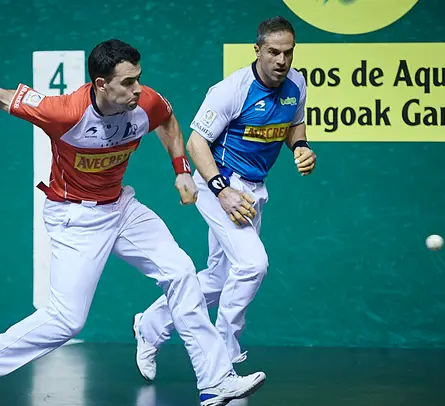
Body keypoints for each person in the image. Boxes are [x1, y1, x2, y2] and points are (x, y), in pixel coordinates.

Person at [0, 38, 266, 406]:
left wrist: (181, 170)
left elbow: (167, 120)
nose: (138, 89)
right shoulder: (63, 112)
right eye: (127, 82)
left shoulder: (144, 103)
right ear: (101, 84)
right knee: (66, 321)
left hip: (121, 208)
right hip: (74, 218)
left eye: (139, 78)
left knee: (180, 272)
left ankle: (215, 380)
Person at [132, 16, 317, 380]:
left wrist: (301, 146)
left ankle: (149, 326)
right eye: (273, 52)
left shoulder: (296, 83)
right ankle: (223, 351)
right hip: (218, 183)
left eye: (288, 52)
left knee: (219, 279)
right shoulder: (231, 90)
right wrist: (223, 191)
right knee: (252, 265)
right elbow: (196, 143)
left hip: (254, 187)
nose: (281, 60)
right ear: (257, 50)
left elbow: (294, 123)